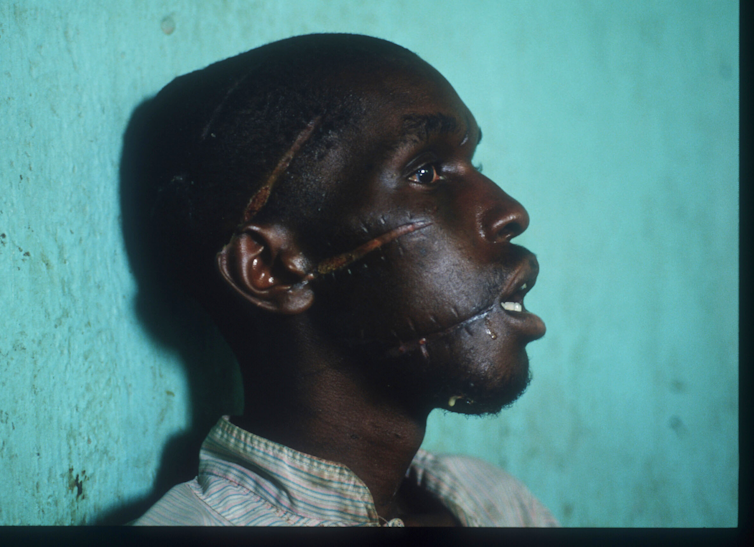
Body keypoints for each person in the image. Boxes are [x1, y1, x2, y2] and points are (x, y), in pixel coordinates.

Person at [128, 33, 558, 527]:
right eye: (425, 172)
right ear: (271, 268)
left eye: (474, 165)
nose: (510, 212)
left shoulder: (498, 505)